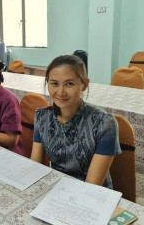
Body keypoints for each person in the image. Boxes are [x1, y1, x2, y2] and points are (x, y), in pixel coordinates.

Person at [30, 55, 121, 189]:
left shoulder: (104, 123)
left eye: (69, 84)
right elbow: (35, 166)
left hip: (91, 195)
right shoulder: (42, 117)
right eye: (54, 83)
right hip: (56, 189)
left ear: (84, 84)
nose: (60, 92)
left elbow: (91, 187)